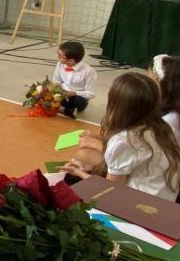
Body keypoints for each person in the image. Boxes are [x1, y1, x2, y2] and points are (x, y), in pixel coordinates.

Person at [61, 73, 180, 201]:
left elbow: (111, 190)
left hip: (139, 206)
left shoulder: (123, 139)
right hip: (164, 201)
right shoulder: (166, 128)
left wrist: (80, 173)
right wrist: (89, 170)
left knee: (68, 184)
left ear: (117, 104)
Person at [52, 41, 97, 118]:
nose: (58, 57)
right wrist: (59, 90)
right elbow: (56, 81)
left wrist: (73, 93)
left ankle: (64, 109)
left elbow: (91, 94)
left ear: (71, 61)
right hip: (62, 93)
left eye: (60, 56)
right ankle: (65, 110)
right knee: (42, 92)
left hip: (76, 96)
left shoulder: (89, 71)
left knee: (80, 101)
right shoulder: (60, 64)